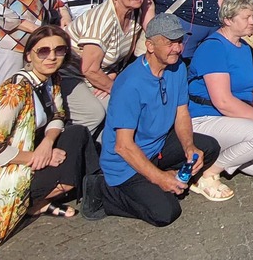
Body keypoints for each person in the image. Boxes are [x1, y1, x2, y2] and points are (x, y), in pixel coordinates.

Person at [0, 26, 97, 251]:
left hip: (32, 147)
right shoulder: (14, 91)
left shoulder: (52, 78)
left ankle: (41, 199)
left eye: (59, 50)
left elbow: (58, 115)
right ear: (29, 55)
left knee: (78, 134)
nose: (52, 57)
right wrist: (36, 157)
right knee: (68, 180)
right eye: (43, 51)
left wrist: (47, 144)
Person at [88, 14, 221, 225]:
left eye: (179, 41)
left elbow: (181, 112)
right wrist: (159, 178)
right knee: (165, 212)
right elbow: (123, 146)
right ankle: (103, 191)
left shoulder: (177, 67)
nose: (178, 48)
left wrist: (189, 147)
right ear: (150, 45)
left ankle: (162, 178)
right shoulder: (130, 84)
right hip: (126, 162)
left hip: (157, 146)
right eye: (170, 43)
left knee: (208, 147)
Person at [186, 0, 253, 195]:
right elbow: (222, 101)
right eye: (246, 17)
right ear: (228, 20)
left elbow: (251, 88)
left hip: (233, 119)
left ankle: (220, 156)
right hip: (206, 117)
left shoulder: (244, 47)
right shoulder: (214, 48)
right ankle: (207, 174)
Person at [60, 0, 149, 133]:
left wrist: (113, 74)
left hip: (99, 74)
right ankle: (69, 144)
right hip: (71, 75)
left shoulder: (134, 15)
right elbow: (89, 69)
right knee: (95, 113)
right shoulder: (103, 21)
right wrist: (115, 89)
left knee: (124, 108)